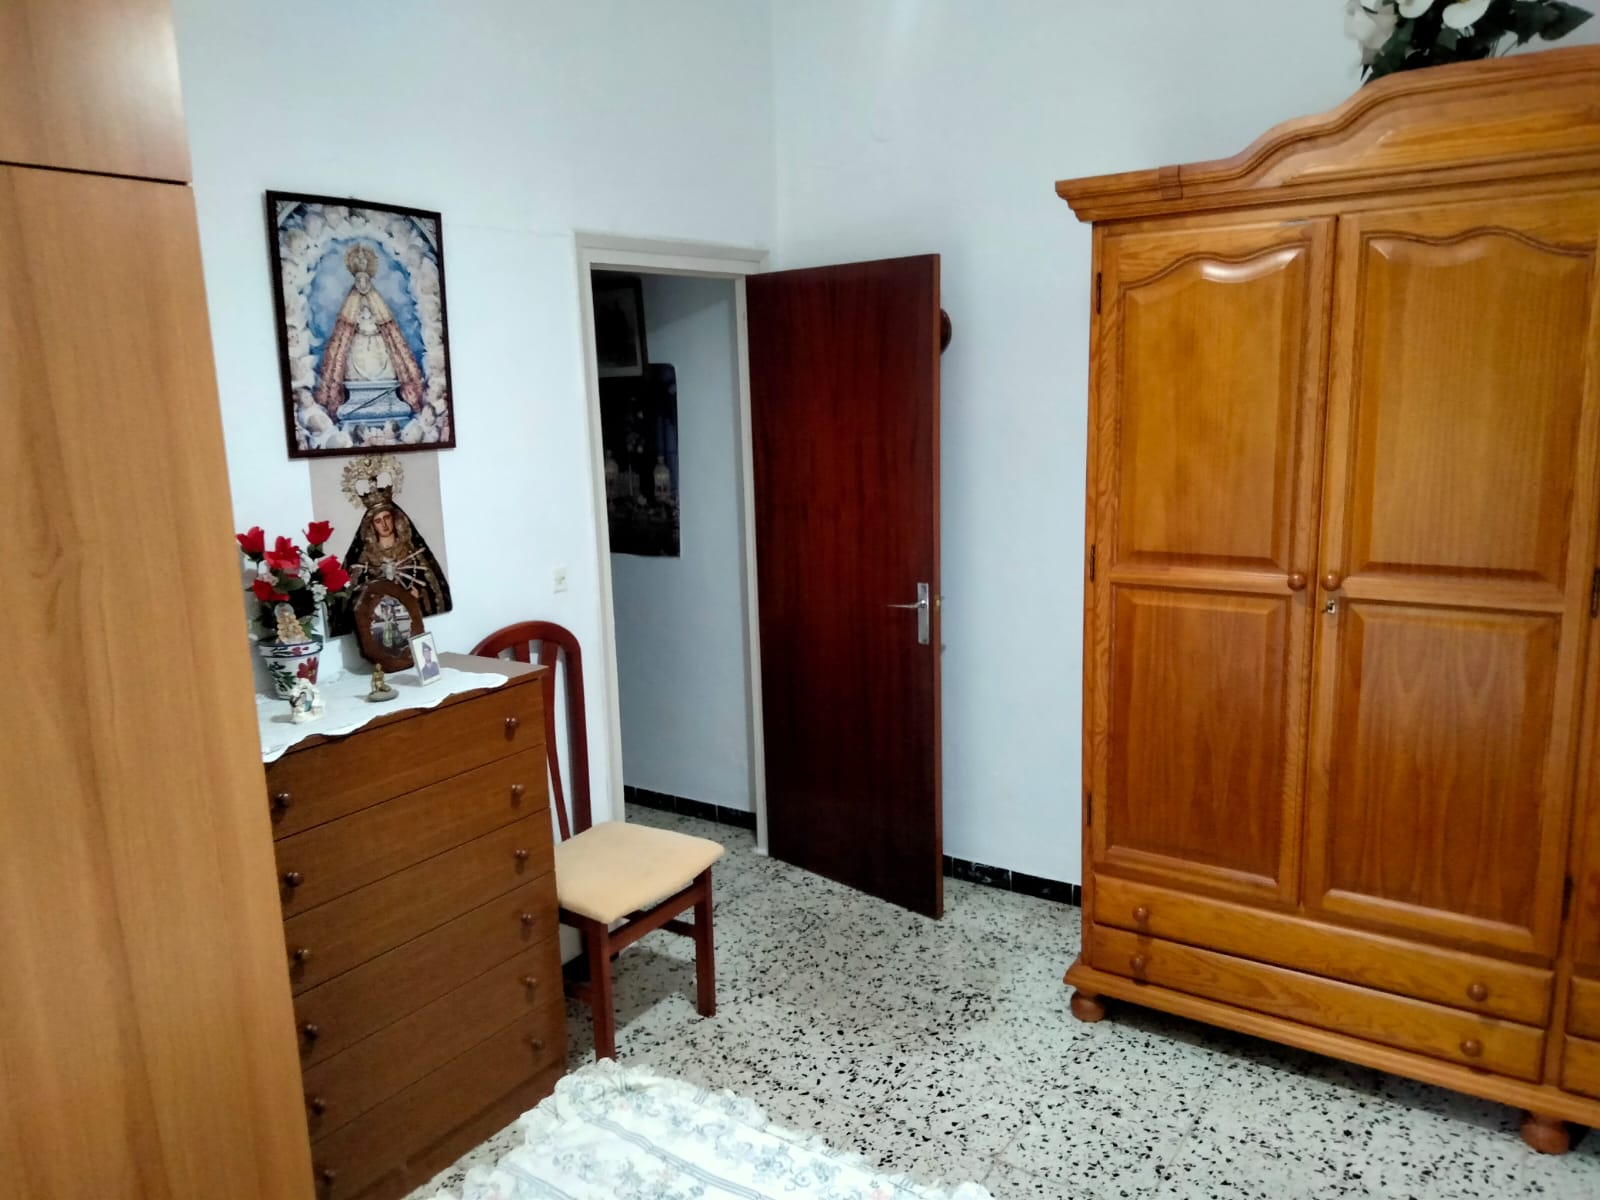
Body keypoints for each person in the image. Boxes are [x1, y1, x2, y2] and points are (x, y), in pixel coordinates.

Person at [314, 243, 425, 415]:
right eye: (359, 280)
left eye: (365, 280)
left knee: (386, 357)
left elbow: (387, 327)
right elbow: (344, 331)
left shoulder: (377, 302)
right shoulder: (350, 304)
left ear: (370, 280)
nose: (362, 284)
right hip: (358, 343)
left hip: (378, 342)